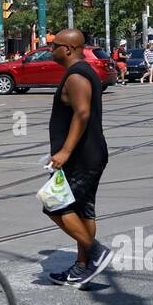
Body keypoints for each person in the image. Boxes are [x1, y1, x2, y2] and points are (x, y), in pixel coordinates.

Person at [45, 29, 113, 288]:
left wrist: (65, 151)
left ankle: (95, 251)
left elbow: (82, 114)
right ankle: (82, 267)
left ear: (69, 49)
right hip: (90, 153)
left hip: (81, 157)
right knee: (83, 211)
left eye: (55, 46)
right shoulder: (84, 72)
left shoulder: (76, 75)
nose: (52, 50)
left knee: (54, 203)